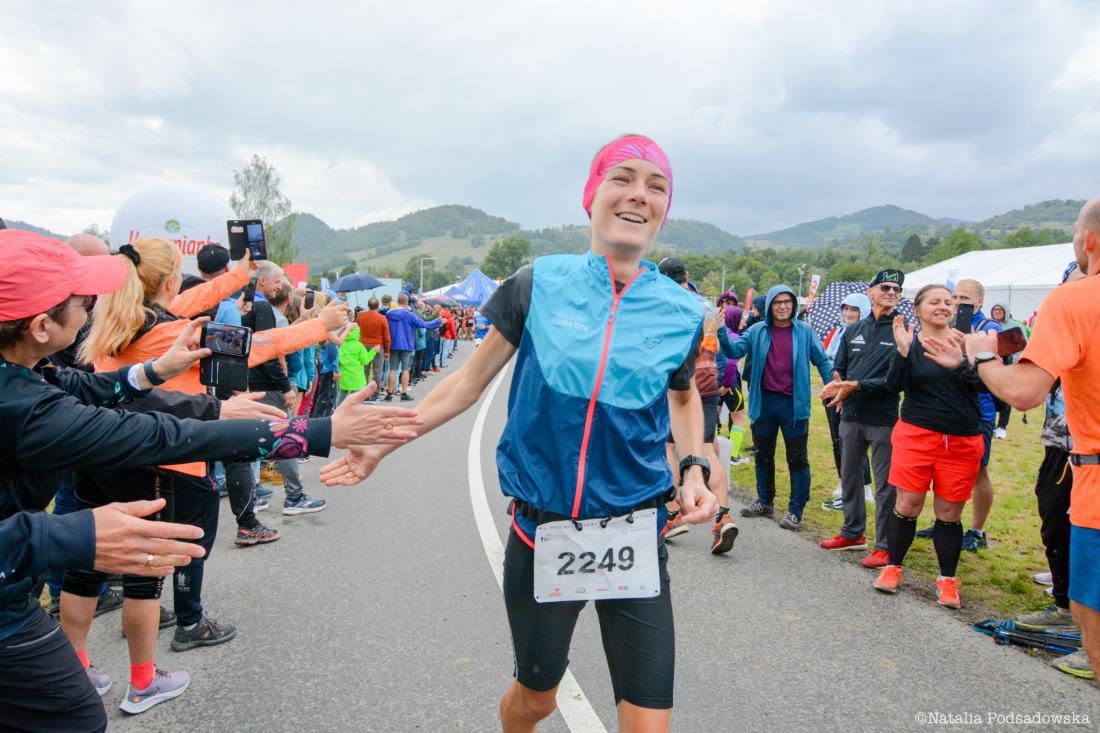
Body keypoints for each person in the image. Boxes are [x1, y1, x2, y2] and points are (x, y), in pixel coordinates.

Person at [321, 134, 717, 732]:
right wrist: (386, 438)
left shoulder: (681, 310)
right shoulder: (538, 284)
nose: (639, 194)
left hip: (635, 528)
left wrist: (694, 469)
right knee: (536, 701)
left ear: (665, 208)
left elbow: (684, 397)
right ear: (592, 195)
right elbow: (465, 384)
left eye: (656, 186)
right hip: (543, 531)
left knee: (649, 723)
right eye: (622, 178)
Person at [0, 229, 422, 730]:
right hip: (16, 599)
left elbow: (93, 386)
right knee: (78, 713)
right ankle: (167, 648)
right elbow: (160, 434)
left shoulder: (32, 374)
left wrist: (164, 374)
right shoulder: (27, 407)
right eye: (83, 299)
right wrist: (315, 431)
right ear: (41, 326)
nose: (94, 304)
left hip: (27, 572)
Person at [961, 197, 1100, 682]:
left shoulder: (1073, 299)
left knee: (1088, 607)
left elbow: (1023, 393)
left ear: (1088, 241)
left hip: (1094, 476)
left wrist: (983, 356)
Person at [871, 284, 985, 609]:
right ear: (918, 309)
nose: (943, 306)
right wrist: (902, 351)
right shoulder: (910, 342)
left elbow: (986, 386)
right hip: (916, 435)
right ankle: (893, 567)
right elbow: (893, 385)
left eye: (948, 302)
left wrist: (962, 364)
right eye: (934, 301)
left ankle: (947, 579)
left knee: (949, 512)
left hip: (961, 440)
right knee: (908, 504)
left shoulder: (967, 342)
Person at [722, 285, 832, 529]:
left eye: (787, 302)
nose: (782, 306)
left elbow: (822, 361)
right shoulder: (757, 330)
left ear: (793, 305)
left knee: (797, 459)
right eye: (777, 302)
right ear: (770, 305)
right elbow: (733, 350)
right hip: (764, 403)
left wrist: (832, 386)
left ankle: (796, 510)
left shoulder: (804, 331)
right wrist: (720, 330)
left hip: (793, 405)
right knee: (763, 454)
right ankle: (764, 500)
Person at [820, 271, 906, 569]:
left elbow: (895, 381)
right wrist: (839, 387)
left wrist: (856, 386)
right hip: (851, 415)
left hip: (883, 418)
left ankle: (885, 546)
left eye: (897, 289)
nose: (892, 292)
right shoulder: (853, 330)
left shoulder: (901, 331)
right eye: (886, 287)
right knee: (850, 477)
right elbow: (840, 368)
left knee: (885, 486)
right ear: (871, 292)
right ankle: (852, 532)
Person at [913, 279, 1002, 552]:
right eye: (955, 297)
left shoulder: (989, 328)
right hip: (948, 410)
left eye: (965, 299)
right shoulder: (947, 325)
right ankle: (945, 521)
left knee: (978, 471)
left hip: (980, 411)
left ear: (980, 302)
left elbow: (1001, 365)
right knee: (948, 474)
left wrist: (974, 347)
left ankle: (977, 530)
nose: (958, 303)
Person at [659, 259, 738, 555]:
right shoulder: (705, 306)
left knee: (668, 448)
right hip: (709, 382)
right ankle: (724, 516)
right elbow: (720, 347)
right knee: (706, 449)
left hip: (681, 384)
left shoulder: (665, 304)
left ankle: (671, 515)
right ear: (687, 276)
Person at [818, 292, 873, 512]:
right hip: (832, 391)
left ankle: (859, 487)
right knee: (837, 440)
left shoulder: (865, 335)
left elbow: (857, 367)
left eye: (854, 310)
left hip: (849, 394)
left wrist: (843, 390)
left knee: (851, 443)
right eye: (846, 309)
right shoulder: (839, 331)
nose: (849, 314)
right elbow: (829, 360)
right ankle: (847, 483)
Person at [384, 293, 441, 401]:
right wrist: (438, 320)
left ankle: (389, 394)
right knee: (405, 369)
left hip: (393, 344)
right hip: (406, 345)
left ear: (397, 301)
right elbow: (424, 324)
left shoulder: (389, 314)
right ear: (406, 302)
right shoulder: (410, 315)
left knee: (392, 370)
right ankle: (404, 394)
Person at [988, 302, 1028, 439]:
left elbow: (1022, 346)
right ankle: (992, 425)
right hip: (993, 365)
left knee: (1006, 396)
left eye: (999, 309)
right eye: (994, 309)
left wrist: (1017, 362)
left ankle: (1002, 426)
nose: (997, 311)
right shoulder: (990, 325)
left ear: (1006, 310)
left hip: (1010, 365)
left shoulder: (1015, 326)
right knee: (991, 395)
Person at [717, 305, 749, 466]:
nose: (744, 322)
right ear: (734, 319)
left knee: (713, 416)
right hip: (729, 383)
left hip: (713, 380)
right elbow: (731, 363)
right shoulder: (735, 337)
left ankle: (712, 450)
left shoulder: (716, 333)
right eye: (741, 318)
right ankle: (733, 455)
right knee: (739, 417)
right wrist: (727, 384)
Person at [355, 297, 390, 398]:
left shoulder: (360, 316)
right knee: (377, 371)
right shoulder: (382, 318)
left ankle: (363, 393)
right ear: (378, 306)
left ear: (368, 305)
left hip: (363, 345)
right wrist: (387, 351)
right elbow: (386, 336)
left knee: (364, 371)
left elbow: (355, 329)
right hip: (378, 346)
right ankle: (376, 394)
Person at [336, 324, 378, 407]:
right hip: (357, 377)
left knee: (341, 396)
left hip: (344, 376)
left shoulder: (341, 345)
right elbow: (365, 361)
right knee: (356, 399)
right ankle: (354, 411)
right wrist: (373, 351)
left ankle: (338, 411)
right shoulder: (359, 346)